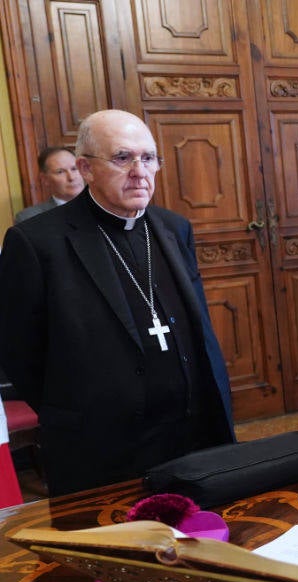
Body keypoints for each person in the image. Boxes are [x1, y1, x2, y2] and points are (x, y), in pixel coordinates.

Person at [0, 109, 234, 496]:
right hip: (102, 445)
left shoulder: (174, 228)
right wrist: (72, 408)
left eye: (148, 158)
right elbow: (18, 349)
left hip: (193, 434)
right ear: (86, 168)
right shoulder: (36, 242)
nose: (140, 171)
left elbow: (197, 327)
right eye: (123, 158)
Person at [14, 146, 85, 223]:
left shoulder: (98, 206)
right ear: (45, 179)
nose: (71, 177)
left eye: (74, 169)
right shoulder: (29, 218)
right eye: (60, 172)